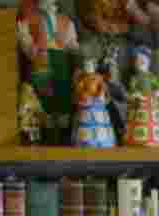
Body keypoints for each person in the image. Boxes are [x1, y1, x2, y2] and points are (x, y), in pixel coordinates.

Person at [17, 0, 80, 141]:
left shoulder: (65, 21)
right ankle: (44, 134)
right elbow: (25, 44)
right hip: (40, 64)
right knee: (42, 100)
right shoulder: (28, 20)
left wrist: (68, 46)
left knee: (61, 100)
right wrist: (35, 47)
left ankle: (63, 136)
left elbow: (73, 47)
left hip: (60, 66)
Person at [124, 46, 159, 146]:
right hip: (139, 103)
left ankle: (156, 138)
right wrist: (136, 94)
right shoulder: (135, 78)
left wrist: (158, 92)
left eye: (143, 59)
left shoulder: (152, 77)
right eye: (138, 60)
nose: (141, 62)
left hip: (152, 103)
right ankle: (136, 139)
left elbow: (156, 87)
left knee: (153, 121)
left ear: (148, 61)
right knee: (137, 121)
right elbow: (132, 89)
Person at [73, 56, 117, 147]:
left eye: (90, 65)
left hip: (97, 102)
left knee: (99, 119)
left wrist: (100, 94)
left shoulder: (98, 77)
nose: (88, 67)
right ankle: (84, 141)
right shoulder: (83, 78)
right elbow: (79, 89)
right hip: (86, 102)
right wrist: (82, 94)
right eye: (86, 65)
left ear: (94, 67)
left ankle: (102, 140)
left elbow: (103, 87)